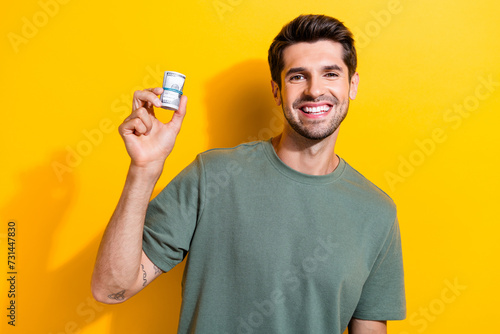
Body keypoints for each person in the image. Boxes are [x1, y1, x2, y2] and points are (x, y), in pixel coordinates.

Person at [91, 14, 406, 334]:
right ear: (276, 90)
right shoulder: (211, 176)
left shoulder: (376, 211)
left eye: (331, 73)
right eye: (298, 76)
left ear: (351, 85)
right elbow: (110, 288)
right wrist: (143, 170)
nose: (315, 90)